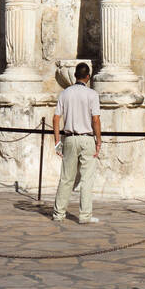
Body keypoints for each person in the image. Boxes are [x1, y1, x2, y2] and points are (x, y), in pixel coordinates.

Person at [51, 61, 102, 224]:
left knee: (66, 178)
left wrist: (57, 142)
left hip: (70, 138)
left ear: (74, 76)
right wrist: (98, 140)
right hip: (87, 139)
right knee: (87, 179)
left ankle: (58, 214)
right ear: (88, 77)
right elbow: (95, 119)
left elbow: (56, 118)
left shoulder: (65, 94)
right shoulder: (92, 95)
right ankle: (85, 215)